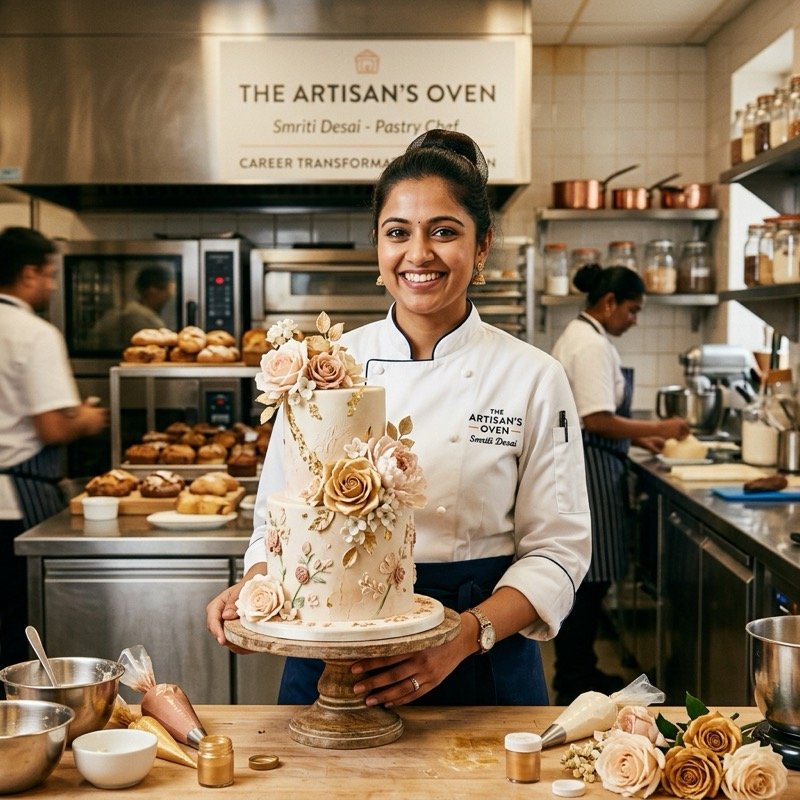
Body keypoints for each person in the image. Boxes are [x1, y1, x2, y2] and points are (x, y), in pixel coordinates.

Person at [207, 130, 592, 707]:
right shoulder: (323, 368)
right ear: (378, 247)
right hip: (331, 657)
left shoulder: (532, 377)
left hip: (478, 650)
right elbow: (272, 526)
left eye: (444, 231)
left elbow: (558, 551)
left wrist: (463, 636)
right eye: (398, 233)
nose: (419, 254)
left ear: (481, 247)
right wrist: (259, 591)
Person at [550, 263, 690, 705]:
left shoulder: (584, 335)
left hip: (591, 462)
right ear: (608, 302)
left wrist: (643, 436)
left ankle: (580, 669)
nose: (635, 319)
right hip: (590, 469)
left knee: (590, 577)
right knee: (589, 578)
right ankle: (574, 679)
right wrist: (662, 427)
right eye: (632, 309)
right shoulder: (590, 345)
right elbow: (596, 419)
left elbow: (595, 416)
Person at [0, 226, 108, 668]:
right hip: (14, 504)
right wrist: (88, 417)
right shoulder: (32, 332)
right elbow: (51, 427)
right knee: (14, 634)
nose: (50, 286)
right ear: (28, 274)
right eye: (48, 275)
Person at [87, 264, 176, 350]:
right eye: (167, 292)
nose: (169, 298)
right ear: (152, 290)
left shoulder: (126, 311)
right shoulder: (143, 319)